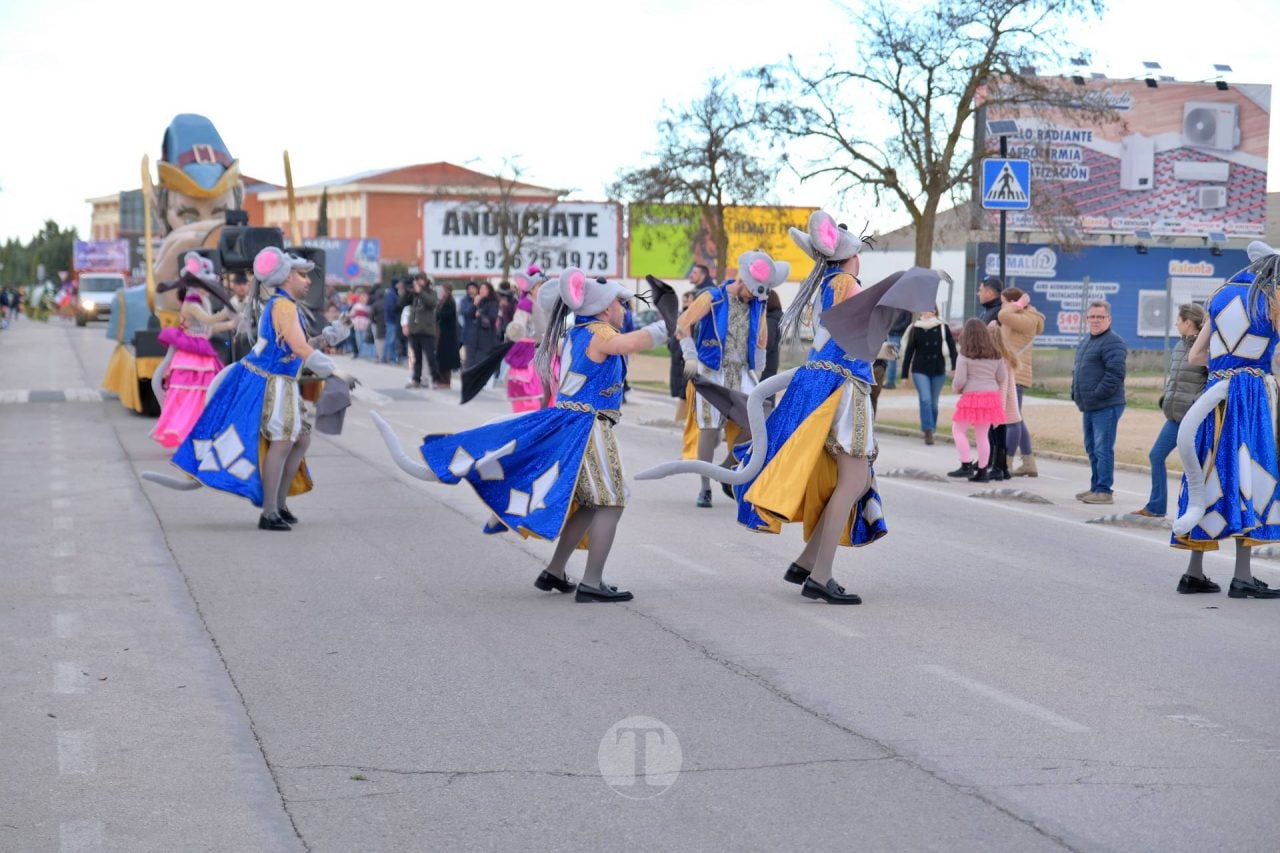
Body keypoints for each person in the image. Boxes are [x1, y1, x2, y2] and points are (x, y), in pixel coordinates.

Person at [371, 269, 672, 602]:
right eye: (620, 302)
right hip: (588, 427)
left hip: (577, 424)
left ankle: (554, 572)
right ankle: (592, 582)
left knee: (590, 504)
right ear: (603, 308)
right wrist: (669, 325)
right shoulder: (600, 332)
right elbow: (632, 342)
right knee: (611, 502)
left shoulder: (577, 332)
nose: (625, 309)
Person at [150, 248, 349, 530]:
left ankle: (278, 504)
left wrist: (329, 337)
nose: (307, 281)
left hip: (280, 382)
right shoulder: (283, 306)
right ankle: (269, 512)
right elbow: (299, 348)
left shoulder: (285, 305)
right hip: (271, 383)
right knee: (282, 443)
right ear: (288, 276)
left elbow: (293, 348)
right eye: (302, 275)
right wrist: (334, 370)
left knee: (299, 441)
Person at [1171, 242, 1280, 599]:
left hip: (1215, 392)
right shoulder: (1271, 301)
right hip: (1250, 397)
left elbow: (1196, 356)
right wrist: (1255, 370)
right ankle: (1243, 576)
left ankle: (1193, 573)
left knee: (1206, 472)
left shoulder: (1218, 296)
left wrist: (1225, 367)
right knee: (1249, 472)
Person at [675, 253, 775, 508]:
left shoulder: (758, 302)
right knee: (709, 430)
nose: (753, 299)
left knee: (759, 421)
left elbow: (761, 336)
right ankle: (705, 487)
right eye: (751, 293)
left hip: (742, 372)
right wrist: (689, 355)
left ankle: (727, 467)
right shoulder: (713, 297)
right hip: (712, 371)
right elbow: (683, 323)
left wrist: (760, 365)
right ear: (741, 281)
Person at [150, 253, 239, 449]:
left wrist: (232, 322)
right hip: (192, 355)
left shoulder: (200, 300)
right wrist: (229, 309)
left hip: (201, 352)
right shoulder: (192, 302)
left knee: (204, 394)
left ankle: (202, 431)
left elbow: (208, 329)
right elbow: (208, 321)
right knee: (190, 395)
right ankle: (184, 430)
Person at [1133, 304, 1207, 518]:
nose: (1176, 323)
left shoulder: (1205, 348)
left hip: (1193, 418)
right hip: (1175, 417)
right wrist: (1166, 398)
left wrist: (1196, 403)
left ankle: (1200, 512)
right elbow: (1175, 380)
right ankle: (1156, 507)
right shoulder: (1178, 347)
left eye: (1178, 319)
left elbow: (1211, 382)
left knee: (1196, 466)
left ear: (1187, 322)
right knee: (1156, 455)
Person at [1070, 300, 1127, 504]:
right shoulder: (1087, 340)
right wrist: (1075, 394)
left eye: (1100, 317)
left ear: (1109, 319)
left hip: (1106, 405)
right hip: (1089, 406)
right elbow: (1078, 370)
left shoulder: (1113, 342)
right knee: (1092, 447)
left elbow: (1115, 374)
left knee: (1103, 448)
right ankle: (1095, 487)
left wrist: (1096, 395)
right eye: (1092, 317)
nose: (1095, 320)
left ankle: (1104, 490)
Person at [946, 318, 1008, 482]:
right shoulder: (996, 354)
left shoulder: (965, 355)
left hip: (972, 396)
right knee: (983, 435)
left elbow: (959, 380)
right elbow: (1001, 377)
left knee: (958, 430)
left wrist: (956, 389)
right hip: (991, 397)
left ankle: (966, 464)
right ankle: (982, 471)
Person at [997, 287, 1046, 476]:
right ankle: (1028, 462)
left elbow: (1003, 315)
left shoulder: (1026, 319)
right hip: (1012, 371)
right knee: (1017, 418)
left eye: (1004, 301)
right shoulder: (1024, 317)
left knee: (1012, 420)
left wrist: (1017, 305)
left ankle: (1006, 463)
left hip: (1015, 374)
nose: (1002, 305)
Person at [900, 307, 956, 444]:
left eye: (928, 309)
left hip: (938, 369)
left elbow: (952, 347)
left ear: (935, 311)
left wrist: (955, 367)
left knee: (934, 403)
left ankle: (932, 427)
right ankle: (928, 431)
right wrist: (904, 375)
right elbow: (909, 352)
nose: (925, 312)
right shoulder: (916, 327)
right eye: (923, 309)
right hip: (920, 369)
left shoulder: (942, 326)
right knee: (925, 399)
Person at [988, 323, 1020, 481]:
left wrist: (997, 410)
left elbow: (1002, 386)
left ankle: (997, 467)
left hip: (999, 404)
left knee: (996, 436)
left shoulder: (999, 359)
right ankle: (1004, 468)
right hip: (1004, 404)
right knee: (999, 435)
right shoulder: (1006, 356)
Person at [405, 274, 439, 389]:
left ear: (425, 281)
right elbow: (402, 303)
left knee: (430, 357)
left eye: (421, 280)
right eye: (417, 280)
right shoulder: (414, 294)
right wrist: (409, 290)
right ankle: (416, 379)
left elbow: (431, 303)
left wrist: (420, 292)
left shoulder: (431, 292)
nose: (419, 282)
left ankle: (435, 380)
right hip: (415, 330)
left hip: (427, 331)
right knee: (417, 358)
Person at [435, 281, 460, 388]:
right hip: (443, 334)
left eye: (443, 290)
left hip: (448, 335)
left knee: (446, 359)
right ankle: (441, 380)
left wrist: (438, 309)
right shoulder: (444, 301)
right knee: (441, 358)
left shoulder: (449, 302)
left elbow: (442, 315)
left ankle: (445, 382)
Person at [470, 282, 501, 368]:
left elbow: (492, 318)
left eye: (484, 289)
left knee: (484, 362)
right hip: (477, 337)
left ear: (489, 290)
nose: (482, 291)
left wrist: (480, 315)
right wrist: (475, 304)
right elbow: (471, 315)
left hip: (488, 337)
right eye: (481, 288)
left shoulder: (493, 303)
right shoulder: (479, 302)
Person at [882, 309, 911, 389]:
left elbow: (907, 322)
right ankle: (888, 380)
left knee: (892, 359)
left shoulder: (906, 309)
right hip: (887, 334)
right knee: (886, 359)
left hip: (896, 335)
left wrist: (893, 329)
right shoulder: (890, 307)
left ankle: (890, 382)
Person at [382, 278, 406, 364]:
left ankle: (388, 357)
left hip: (393, 320)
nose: (400, 285)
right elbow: (390, 308)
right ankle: (388, 357)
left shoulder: (394, 293)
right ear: (396, 284)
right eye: (399, 283)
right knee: (391, 339)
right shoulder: (391, 294)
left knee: (392, 339)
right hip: (391, 320)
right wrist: (396, 312)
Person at [762, 289, 783, 382]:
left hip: (766, 363)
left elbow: (767, 343)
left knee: (764, 393)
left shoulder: (770, 320)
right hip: (772, 361)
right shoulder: (777, 318)